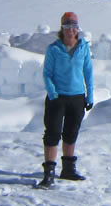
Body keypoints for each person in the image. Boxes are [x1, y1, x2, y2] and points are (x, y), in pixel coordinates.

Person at [38, 11, 94, 188]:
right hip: (58, 98)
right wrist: (53, 94)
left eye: (74, 26)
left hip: (77, 98)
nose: (71, 30)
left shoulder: (83, 48)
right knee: (52, 134)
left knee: (71, 134)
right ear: (62, 29)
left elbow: (88, 72)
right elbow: (47, 74)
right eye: (67, 26)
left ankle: (68, 169)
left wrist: (89, 95)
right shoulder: (53, 49)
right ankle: (49, 172)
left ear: (78, 29)